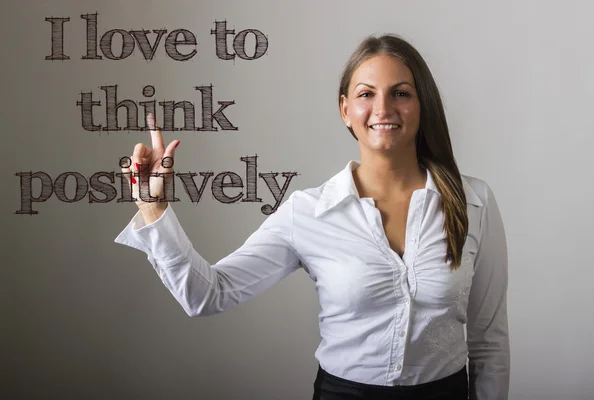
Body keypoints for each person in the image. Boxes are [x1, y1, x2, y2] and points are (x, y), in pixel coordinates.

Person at [115, 34, 509, 400]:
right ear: (345, 110)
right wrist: (153, 206)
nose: (383, 108)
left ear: (422, 105)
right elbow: (208, 294)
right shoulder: (308, 212)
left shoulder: (474, 202)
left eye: (401, 93)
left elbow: (488, 339)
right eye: (366, 94)